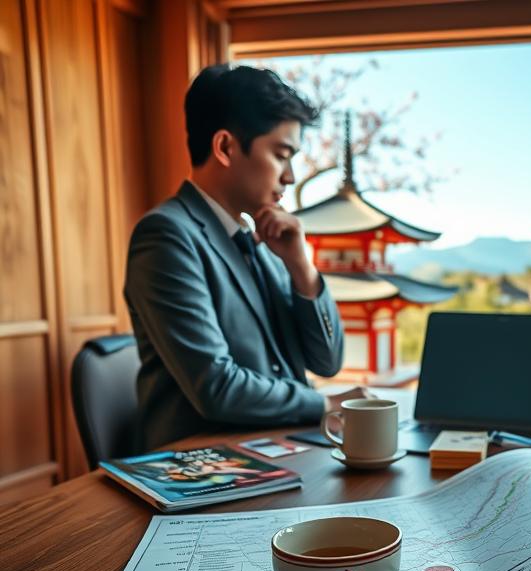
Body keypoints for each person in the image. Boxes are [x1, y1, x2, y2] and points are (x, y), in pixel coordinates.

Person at [125, 64, 364, 451]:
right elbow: (217, 386)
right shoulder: (166, 236)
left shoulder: (264, 241)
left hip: (277, 447)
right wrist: (323, 404)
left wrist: (301, 267)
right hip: (202, 461)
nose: (290, 176)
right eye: (281, 155)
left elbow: (326, 361)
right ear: (225, 148)